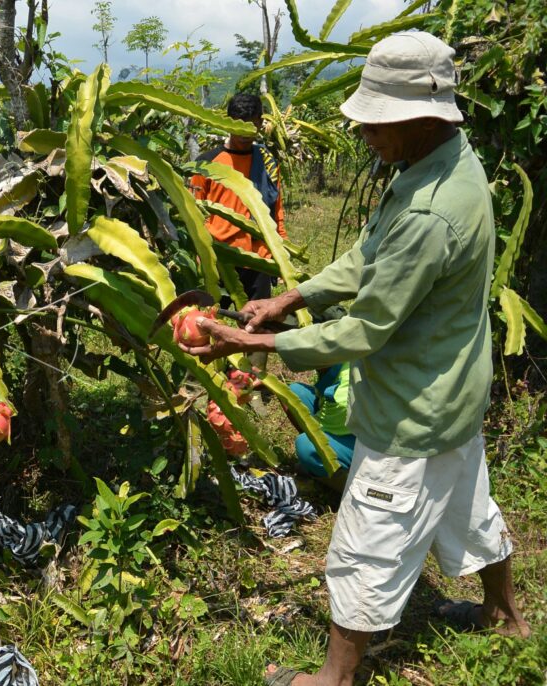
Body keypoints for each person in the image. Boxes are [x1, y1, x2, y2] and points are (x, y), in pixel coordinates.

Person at [176, 32, 530, 686]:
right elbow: (370, 255)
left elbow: (363, 332)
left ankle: (334, 678)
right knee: (469, 506)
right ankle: (505, 615)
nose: (365, 130)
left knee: (363, 547)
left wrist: (248, 343)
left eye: (377, 119)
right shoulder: (447, 163)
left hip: (411, 410)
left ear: (421, 118)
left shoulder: (430, 212)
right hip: (453, 389)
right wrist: (292, 295)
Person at [188, 92, 287, 306]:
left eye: (252, 125)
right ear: (228, 123)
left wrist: (282, 251)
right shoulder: (207, 163)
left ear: (261, 123)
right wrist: (199, 255)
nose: (245, 133)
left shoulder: (267, 162)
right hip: (219, 257)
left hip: (259, 257)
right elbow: (195, 213)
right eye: (239, 125)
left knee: (257, 326)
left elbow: (276, 209)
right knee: (211, 324)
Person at [287, 363, 355, 489]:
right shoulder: (343, 360)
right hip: (342, 422)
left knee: (306, 445)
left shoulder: (343, 394)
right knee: (293, 393)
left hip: (361, 440)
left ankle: (348, 485)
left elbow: (319, 427)